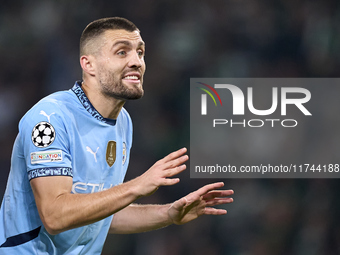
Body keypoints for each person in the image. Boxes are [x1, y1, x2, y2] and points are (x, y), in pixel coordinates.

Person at [0, 17, 234, 254]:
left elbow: (100, 215)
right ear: (88, 64)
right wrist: (138, 185)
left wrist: (168, 213)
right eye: (122, 52)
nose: (137, 62)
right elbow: (54, 216)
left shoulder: (123, 122)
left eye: (140, 53)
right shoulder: (49, 118)